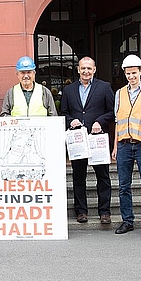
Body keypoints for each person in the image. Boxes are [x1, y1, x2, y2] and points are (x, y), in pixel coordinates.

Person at [60, 57, 115, 224]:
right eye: (83, 68)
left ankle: (104, 212)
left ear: (94, 69)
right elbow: (63, 112)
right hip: (78, 140)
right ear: (78, 70)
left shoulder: (104, 87)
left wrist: (100, 121)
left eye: (89, 68)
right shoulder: (69, 90)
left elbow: (113, 111)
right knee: (78, 176)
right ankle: (81, 211)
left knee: (103, 176)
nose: (86, 71)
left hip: (97, 138)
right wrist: (71, 121)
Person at [111, 54, 141, 236]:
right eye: (128, 73)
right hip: (123, 145)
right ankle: (127, 221)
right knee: (124, 185)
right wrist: (115, 146)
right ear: (124, 73)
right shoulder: (120, 93)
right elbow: (117, 121)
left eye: (134, 73)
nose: (131, 76)